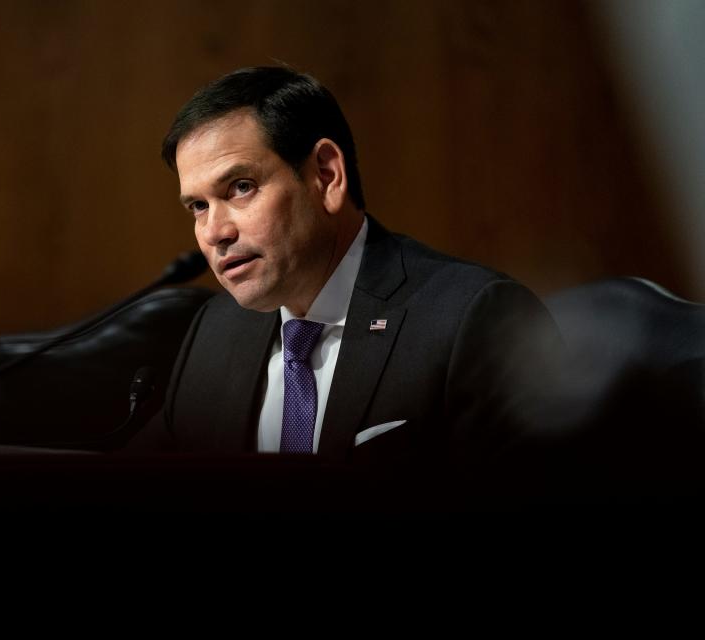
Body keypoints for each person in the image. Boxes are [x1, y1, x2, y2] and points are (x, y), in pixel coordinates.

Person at [139, 66, 564, 470]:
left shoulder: (471, 319)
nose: (214, 231)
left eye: (241, 187)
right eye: (198, 206)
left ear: (326, 175)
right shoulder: (213, 337)